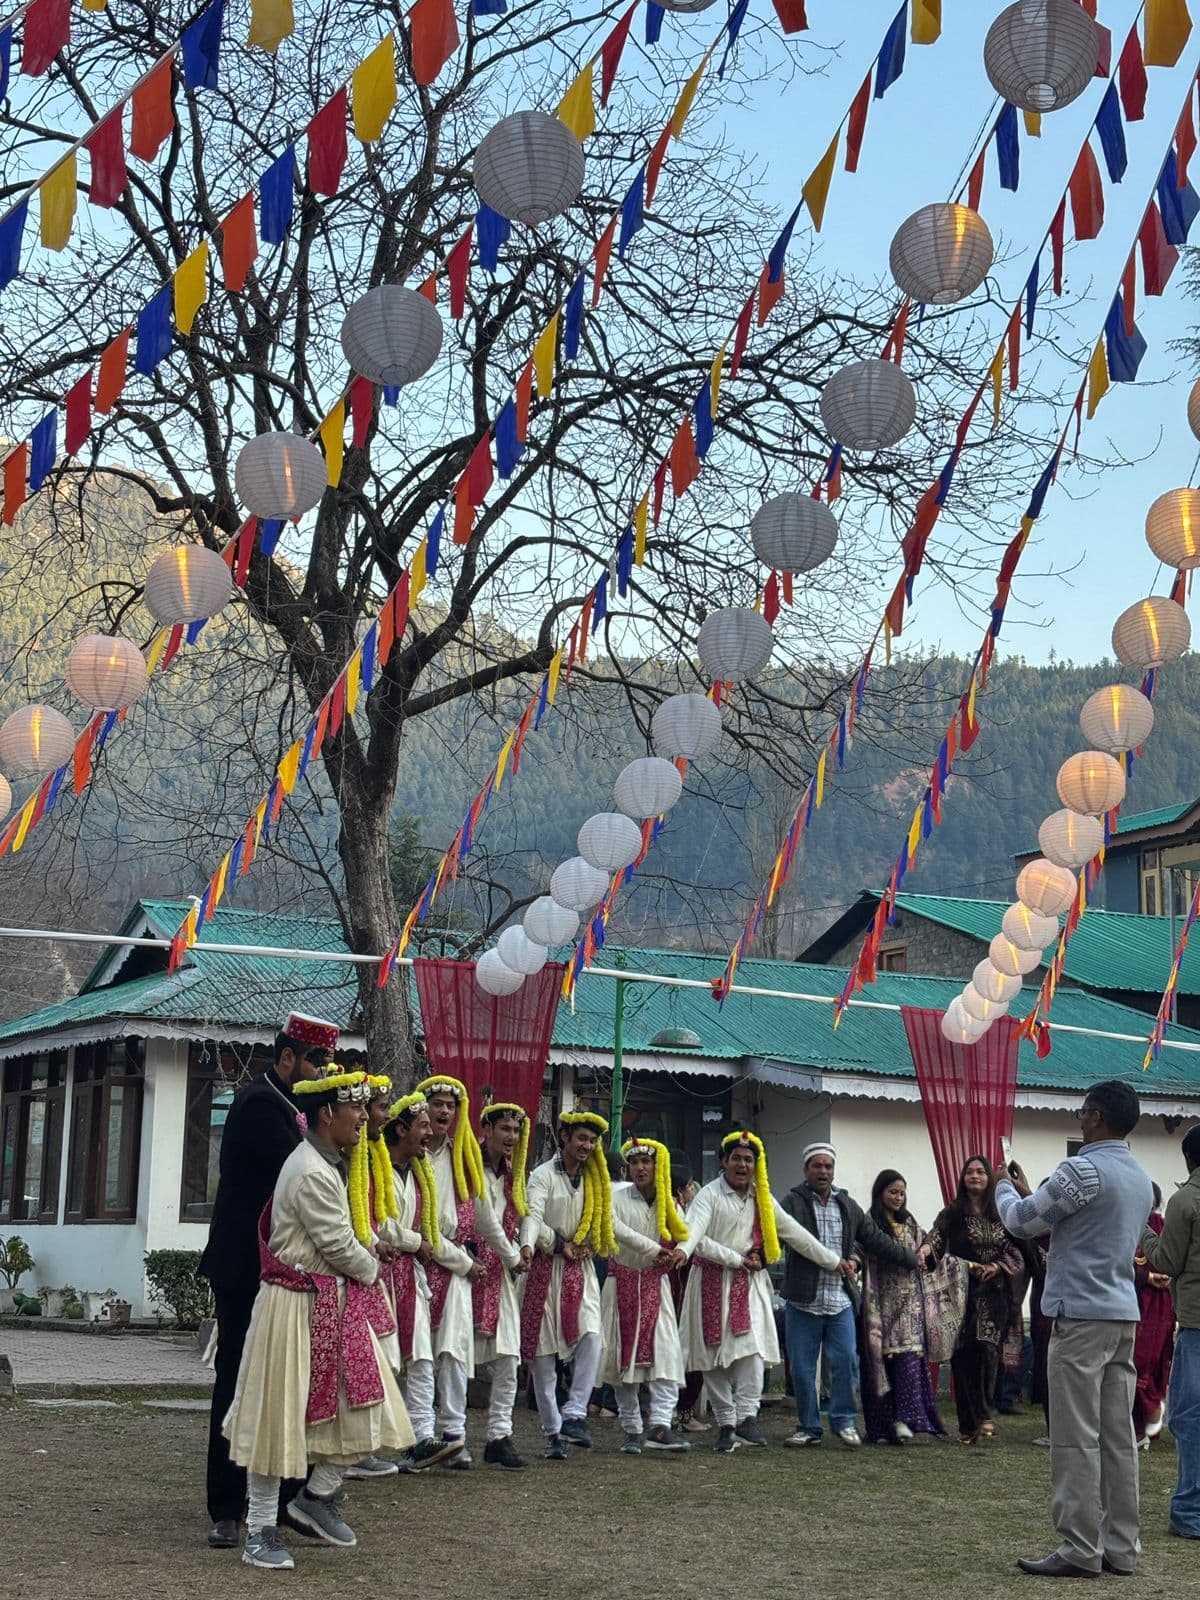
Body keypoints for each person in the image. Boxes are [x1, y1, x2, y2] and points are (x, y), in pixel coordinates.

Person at [222, 1068, 413, 1570]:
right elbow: (336, 1245)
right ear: (327, 1113)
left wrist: (368, 1253)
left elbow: (341, 1238)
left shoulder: (326, 1164)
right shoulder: (310, 1169)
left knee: (365, 1402)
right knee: (277, 1416)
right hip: (292, 1308)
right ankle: (259, 1530)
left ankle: (316, 1495)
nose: (364, 1118)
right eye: (356, 1108)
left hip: (326, 1302)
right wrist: (372, 1267)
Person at [996, 1080, 1153, 1579]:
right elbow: (1082, 1223)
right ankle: (1121, 1547)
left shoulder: (1081, 1169)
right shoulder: (1139, 1176)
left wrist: (1003, 1186)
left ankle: (1080, 1547)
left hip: (1080, 1316)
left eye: (1083, 1112)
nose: (1080, 1119)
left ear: (1097, 1116)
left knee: (1074, 1437)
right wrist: (1031, 1192)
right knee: (1117, 1437)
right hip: (1121, 1313)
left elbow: (1021, 1222)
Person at [199, 1012, 336, 1550]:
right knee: (238, 1382)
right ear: (287, 1057)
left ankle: (279, 1499)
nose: (321, 1072)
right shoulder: (261, 1105)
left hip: (279, 1271)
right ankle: (226, 1507)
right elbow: (303, 1174)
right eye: (316, 1062)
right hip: (244, 1270)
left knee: (284, 1384)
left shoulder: (290, 1107)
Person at [678, 1129, 843, 1453]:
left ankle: (747, 1418)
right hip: (710, 1279)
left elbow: (795, 1235)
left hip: (747, 1283)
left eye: (748, 1160)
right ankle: (726, 1423)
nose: (742, 1165)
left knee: (751, 1350)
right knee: (711, 1357)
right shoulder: (709, 1195)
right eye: (736, 1159)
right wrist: (686, 1252)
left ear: (756, 1165)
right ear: (723, 1162)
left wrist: (834, 1262)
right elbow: (693, 1234)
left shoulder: (762, 1198)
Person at [780, 1143, 919, 1449]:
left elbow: (875, 1239)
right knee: (802, 1370)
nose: (823, 1172)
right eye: (817, 1166)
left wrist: (910, 1259)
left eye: (828, 1166)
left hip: (840, 1301)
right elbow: (774, 1236)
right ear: (806, 1170)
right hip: (803, 1301)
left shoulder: (846, 1204)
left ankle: (844, 1422)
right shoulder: (792, 1203)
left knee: (846, 1362)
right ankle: (808, 1427)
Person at [413, 1072, 519, 1470]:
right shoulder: (410, 1152)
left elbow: (485, 1216)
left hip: (456, 1266)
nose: (444, 1111)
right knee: (419, 1355)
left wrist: (511, 1257)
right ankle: (419, 1437)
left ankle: (453, 1435)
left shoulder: (463, 1154)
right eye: (437, 1104)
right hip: (419, 1261)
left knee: (455, 1353)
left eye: (450, 1105)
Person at [519, 1109, 616, 1459]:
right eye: (581, 1139)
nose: (586, 1146)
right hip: (544, 1271)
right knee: (543, 1359)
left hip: (581, 1270)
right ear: (565, 1137)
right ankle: (553, 1432)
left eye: (592, 1141)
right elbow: (532, 1214)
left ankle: (575, 1413)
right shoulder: (543, 1175)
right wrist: (537, 1244)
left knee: (592, 1337)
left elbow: (610, 1221)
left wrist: (660, 1249)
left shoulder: (596, 1179)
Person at [379, 1091, 462, 1472]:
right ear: (401, 1129)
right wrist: (417, 1243)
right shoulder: (375, 1167)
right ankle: (363, 1447)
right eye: (423, 1125)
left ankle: (422, 1439)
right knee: (381, 1360)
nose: (430, 1133)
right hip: (378, 1275)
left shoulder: (417, 1172)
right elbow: (378, 1223)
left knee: (422, 1357)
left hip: (410, 1276)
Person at [920, 1154, 1024, 1447]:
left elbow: (1015, 1249)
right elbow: (936, 1236)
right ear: (963, 1179)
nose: (975, 1176)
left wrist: (998, 1267)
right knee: (964, 1356)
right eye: (970, 1172)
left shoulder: (1000, 1213)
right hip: (961, 1293)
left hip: (994, 1295)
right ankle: (969, 1423)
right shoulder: (953, 1212)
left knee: (988, 1352)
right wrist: (926, 1249)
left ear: (989, 1178)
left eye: (980, 1172)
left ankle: (983, 1412)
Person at [858, 1168, 963, 1445]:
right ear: (880, 1192)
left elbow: (928, 1245)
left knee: (908, 1361)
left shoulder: (910, 1223)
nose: (898, 1198)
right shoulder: (870, 1224)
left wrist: (927, 1249)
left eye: (902, 1193)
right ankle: (880, 1428)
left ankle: (906, 1419)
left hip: (910, 1307)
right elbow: (859, 1250)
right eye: (893, 1192)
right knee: (879, 1364)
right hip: (880, 1304)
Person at [600, 1138, 691, 1454]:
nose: (640, 1168)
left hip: (656, 1286)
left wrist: (681, 1252)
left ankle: (661, 1425)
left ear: (657, 1166)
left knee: (666, 1355)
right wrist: (655, 1250)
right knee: (621, 1362)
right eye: (635, 1162)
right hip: (621, 1283)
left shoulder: (671, 1205)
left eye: (646, 1162)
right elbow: (614, 1229)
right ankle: (631, 1429)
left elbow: (687, 1235)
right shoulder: (615, 1198)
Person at [1138, 1122, 1200, 1540]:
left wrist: (1142, 1229)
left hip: (1196, 1322)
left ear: (1188, 1158)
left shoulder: (1186, 1200)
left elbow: (1167, 1261)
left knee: (1188, 1416)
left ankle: (1189, 1511)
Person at [343, 1074, 401, 1481]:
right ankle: (349, 1452)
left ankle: (360, 1447)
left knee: (381, 1358)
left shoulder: (369, 1153)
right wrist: (370, 1252)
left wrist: (377, 1242)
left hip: (365, 1267)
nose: (380, 1116)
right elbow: (347, 1219)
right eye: (379, 1107)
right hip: (348, 1272)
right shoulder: (346, 1157)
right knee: (362, 1362)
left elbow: (377, 1216)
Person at [474, 1101, 537, 1469]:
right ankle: (446, 1434)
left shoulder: (515, 1172)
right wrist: (513, 1255)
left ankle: (499, 1434)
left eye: (516, 1130)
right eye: (505, 1129)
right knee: (453, 1356)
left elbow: (527, 1212)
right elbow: (483, 1218)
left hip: (500, 1272)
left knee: (509, 1357)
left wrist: (526, 1244)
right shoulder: (467, 1163)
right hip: (468, 1266)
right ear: (487, 1130)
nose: (512, 1136)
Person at [1132, 1182, 1175, 1449]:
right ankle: (1138, 1428)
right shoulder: (1127, 1224)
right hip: (1138, 1302)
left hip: (1154, 1306)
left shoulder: (1160, 1226)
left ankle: (1144, 1428)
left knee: (1146, 1363)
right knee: (1138, 1363)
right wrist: (1146, 1277)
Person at [667, 1152, 707, 1434]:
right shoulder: (678, 1214)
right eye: (691, 1186)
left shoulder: (670, 1209)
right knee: (688, 1352)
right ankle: (681, 1413)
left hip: (674, 1287)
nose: (693, 1190)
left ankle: (677, 1412)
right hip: (679, 1288)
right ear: (681, 1190)